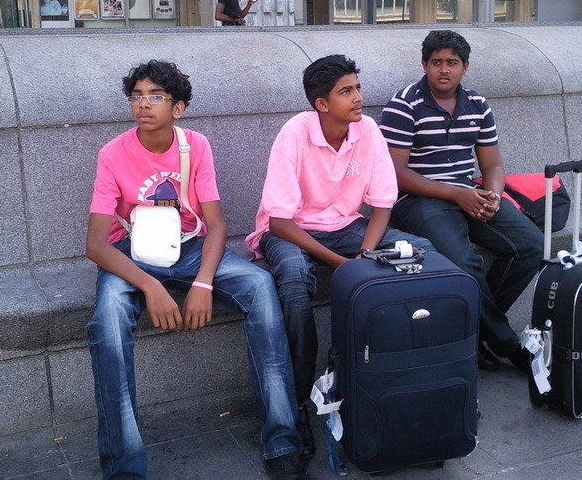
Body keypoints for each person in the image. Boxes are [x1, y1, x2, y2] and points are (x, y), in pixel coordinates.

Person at [86, 60, 309, 480]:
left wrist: (203, 283)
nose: (143, 105)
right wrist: (152, 288)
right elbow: (97, 244)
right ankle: (124, 469)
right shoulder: (112, 154)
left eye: (156, 96)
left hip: (189, 247)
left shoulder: (195, 146)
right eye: (136, 96)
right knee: (108, 321)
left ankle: (283, 441)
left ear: (179, 108)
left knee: (261, 284)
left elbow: (218, 225)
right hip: (130, 253)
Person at [246, 54, 437, 458]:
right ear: (321, 104)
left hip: (346, 227)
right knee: (296, 282)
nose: (358, 99)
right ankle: (298, 400)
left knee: (422, 253)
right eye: (346, 91)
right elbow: (279, 222)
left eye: (357, 88)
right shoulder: (294, 133)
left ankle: (404, 376)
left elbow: (382, 203)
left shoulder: (366, 130)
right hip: (290, 231)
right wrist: (343, 266)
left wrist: (367, 252)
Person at [380, 30, 542, 373]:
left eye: (452, 63)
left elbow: (492, 164)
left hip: (470, 192)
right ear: (424, 64)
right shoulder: (404, 104)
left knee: (530, 245)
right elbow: (394, 173)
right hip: (419, 198)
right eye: (436, 62)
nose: (443, 70)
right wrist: (456, 193)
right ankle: (506, 343)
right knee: (463, 261)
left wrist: (493, 196)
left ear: (464, 67)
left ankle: (474, 333)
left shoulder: (477, 104)